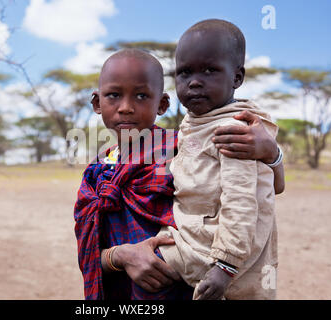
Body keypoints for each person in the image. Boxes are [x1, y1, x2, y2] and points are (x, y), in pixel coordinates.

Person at [74, 48, 284, 300]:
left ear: (161, 104)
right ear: (98, 103)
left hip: (186, 285)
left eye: (141, 95)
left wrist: (271, 153)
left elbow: (266, 190)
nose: (126, 108)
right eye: (114, 95)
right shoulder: (96, 173)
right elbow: (88, 251)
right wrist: (119, 256)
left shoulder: (183, 149)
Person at [157, 19, 281, 300]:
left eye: (210, 70)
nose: (195, 81)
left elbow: (241, 203)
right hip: (197, 242)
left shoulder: (234, 130)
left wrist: (224, 266)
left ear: (237, 78)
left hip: (228, 260)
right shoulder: (194, 122)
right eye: (184, 72)